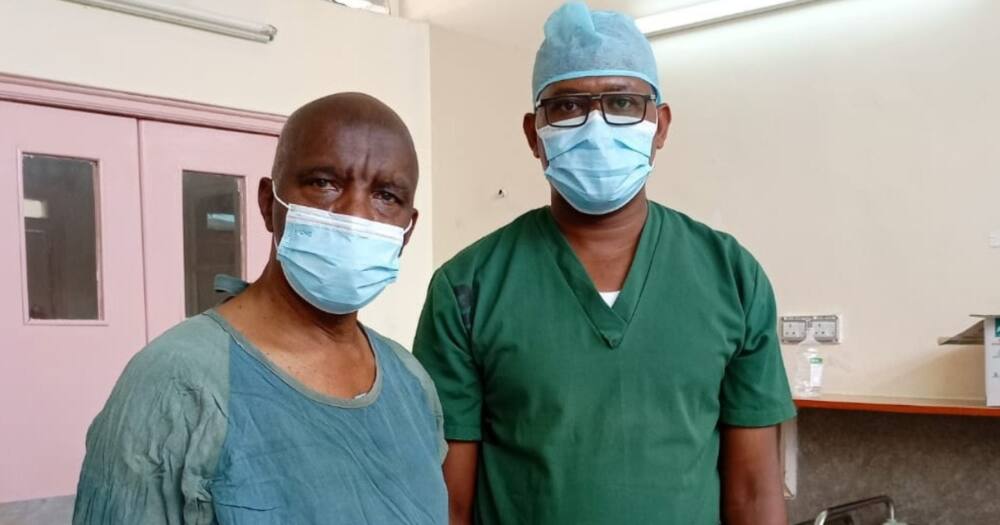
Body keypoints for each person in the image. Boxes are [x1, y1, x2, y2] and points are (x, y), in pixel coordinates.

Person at [412, 3, 796, 524]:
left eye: (622, 102)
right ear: (533, 134)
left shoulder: (731, 277)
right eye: (567, 107)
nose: (596, 125)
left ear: (660, 125)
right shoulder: (467, 288)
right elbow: (448, 505)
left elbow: (754, 495)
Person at [74, 93, 447, 524]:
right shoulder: (176, 384)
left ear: (408, 229)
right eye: (324, 183)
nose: (354, 214)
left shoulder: (411, 385)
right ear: (269, 203)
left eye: (385, 195)